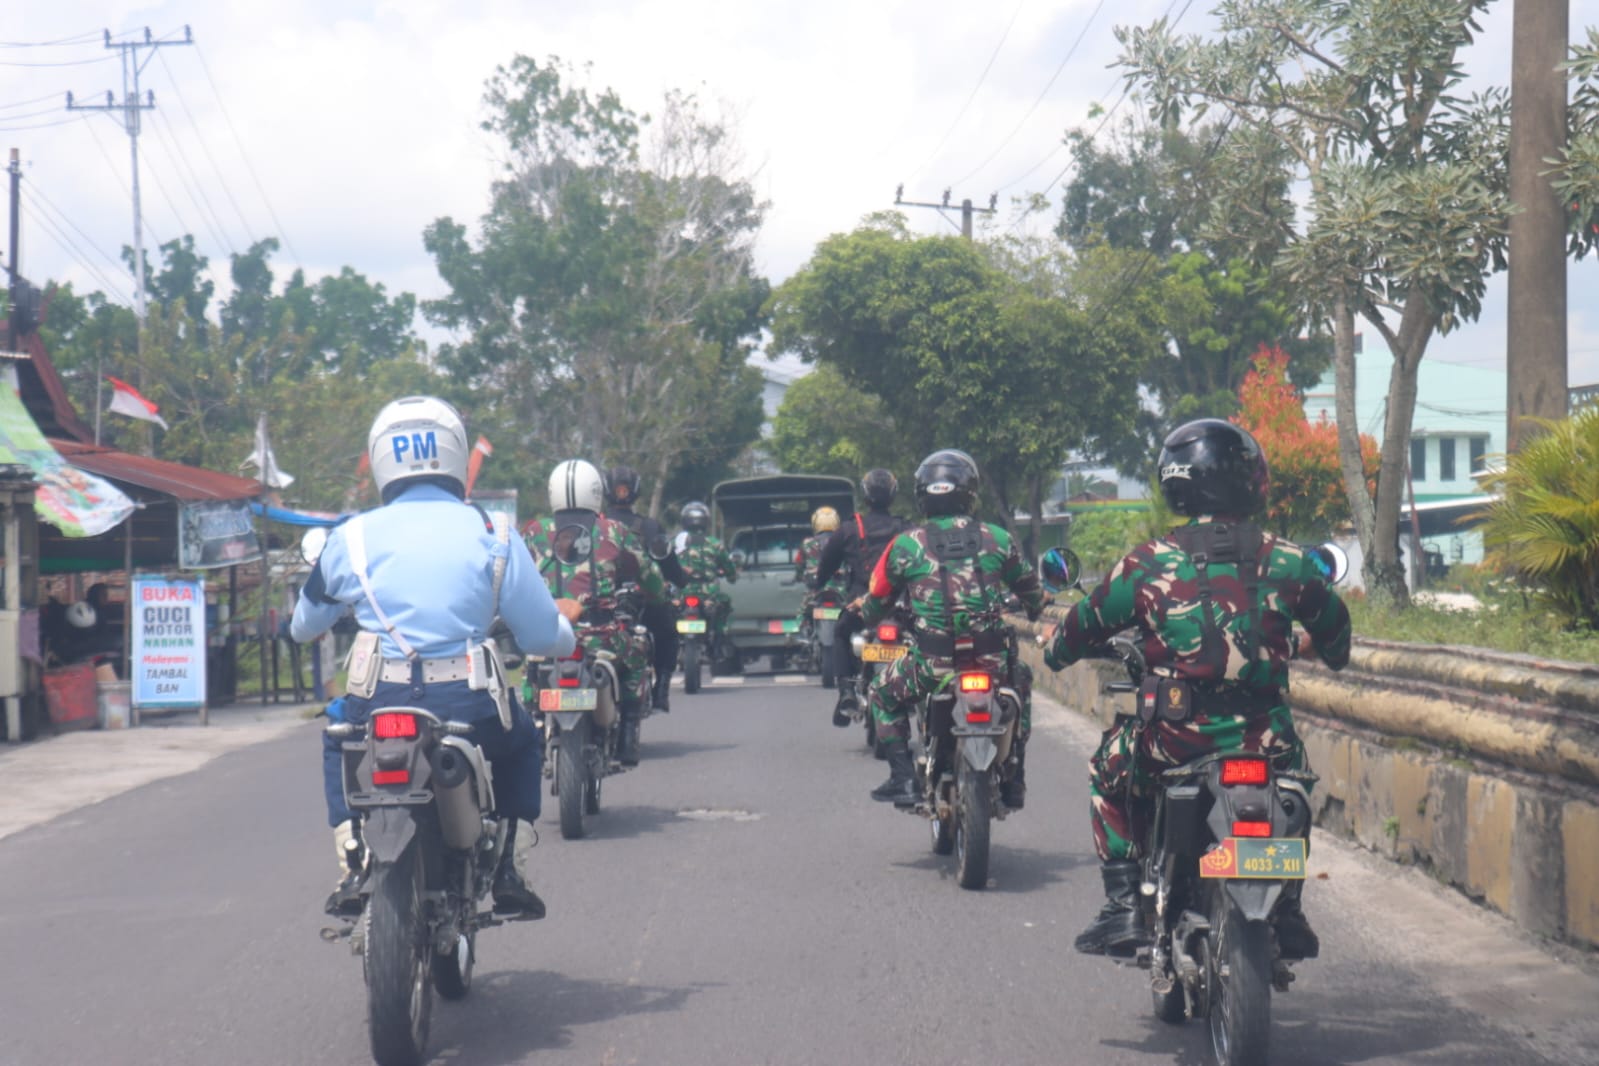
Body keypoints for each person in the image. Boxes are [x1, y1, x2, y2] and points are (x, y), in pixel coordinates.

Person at [1042, 419, 1351, 959]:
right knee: (1294, 787)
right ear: (1247, 479)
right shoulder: (1290, 559)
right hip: (1267, 741)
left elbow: (1077, 631)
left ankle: (1122, 907)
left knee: (1108, 773)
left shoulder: (1146, 563)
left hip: (1175, 740)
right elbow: (1337, 635)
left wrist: (1053, 645)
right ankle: (1290, 908)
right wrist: (1312, 645)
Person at [291, 395, 578, 919]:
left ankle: (353, 856)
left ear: (383, 459)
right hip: (467, 705)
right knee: (520, 743)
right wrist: (567, 637)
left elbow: (303, 626)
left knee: (338, 741)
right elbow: (541, 637)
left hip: (374, 703)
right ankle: (511, 865)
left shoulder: (348, 537)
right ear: (452, 454)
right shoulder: (495, 533)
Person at [852, 450, 1044, 807]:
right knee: (1023, 681)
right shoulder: (998, 538)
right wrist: (1034, 607)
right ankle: (1016, 778)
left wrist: (865, 612)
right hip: (992, 664)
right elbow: (1033, 594)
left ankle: (903, 780)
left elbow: (877, 602)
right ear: (970, 492)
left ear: (924, 494)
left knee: (881, 693)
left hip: (931, 666)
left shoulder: (906, 544)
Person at [528, 459, 668, 765]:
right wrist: (658, 593)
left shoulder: (536, 531)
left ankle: (534, 731)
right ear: (595, 491)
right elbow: (649, 577)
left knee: (531, 671)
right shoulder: (614, 531)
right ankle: (629, 731)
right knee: (638, 652)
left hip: (548, 637)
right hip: (602, 637)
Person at [815, 468, 908, 726]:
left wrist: (818, 583)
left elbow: (826, 566)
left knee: (841, 633)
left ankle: (846, 691)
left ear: (865, 496)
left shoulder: (848, 530)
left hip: (861, 607)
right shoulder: (906, 529)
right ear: (893, 495)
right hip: (899, 608)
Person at [602, 465, 690, 714]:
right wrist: (680, 579)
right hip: (643, 600)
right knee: (668, 635)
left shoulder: (597, 525)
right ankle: (661, 690)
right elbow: (669, 564)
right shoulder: (649, 527)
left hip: (601, 602)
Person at [675, 500, 739, 670]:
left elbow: (663, 565)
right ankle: (717, 645)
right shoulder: (714, 544)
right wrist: (731, 576)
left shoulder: (676, 543)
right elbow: (730, 571)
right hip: (708, 593)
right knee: (724, 603)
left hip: (681, 592)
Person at [794, 505, 846, 629]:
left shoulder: (807, 543)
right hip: (841, 590)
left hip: (816, 589)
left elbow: (799, 564)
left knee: (801, 615)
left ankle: (804, 635)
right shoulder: (844, 541)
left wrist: (799, 576)